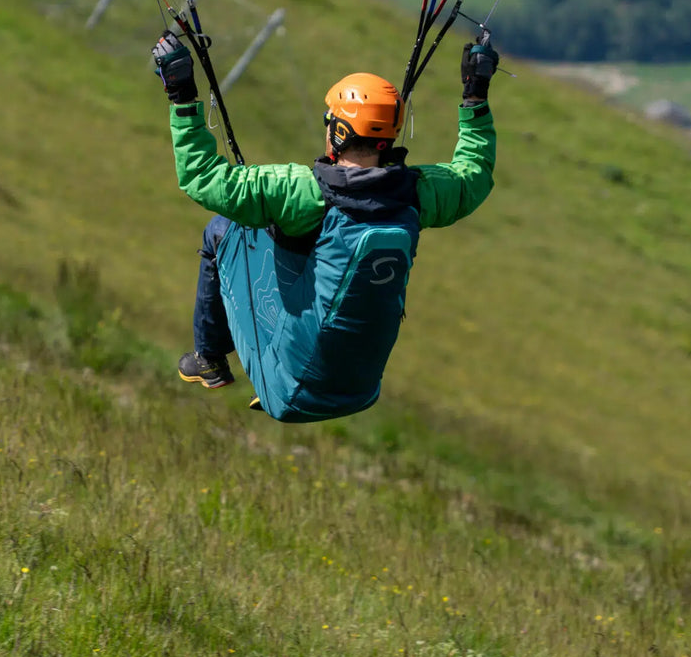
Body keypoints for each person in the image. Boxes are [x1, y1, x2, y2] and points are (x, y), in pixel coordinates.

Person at [152, 27, 499, 422]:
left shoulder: (304, 193)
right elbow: (473, 174)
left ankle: (209, 358)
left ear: (338, 130)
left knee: (222, 229)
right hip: (360, 388)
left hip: (291, 383)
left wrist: (181, 97)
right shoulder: (419, 194)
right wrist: (475, 95)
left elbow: (205, 180)